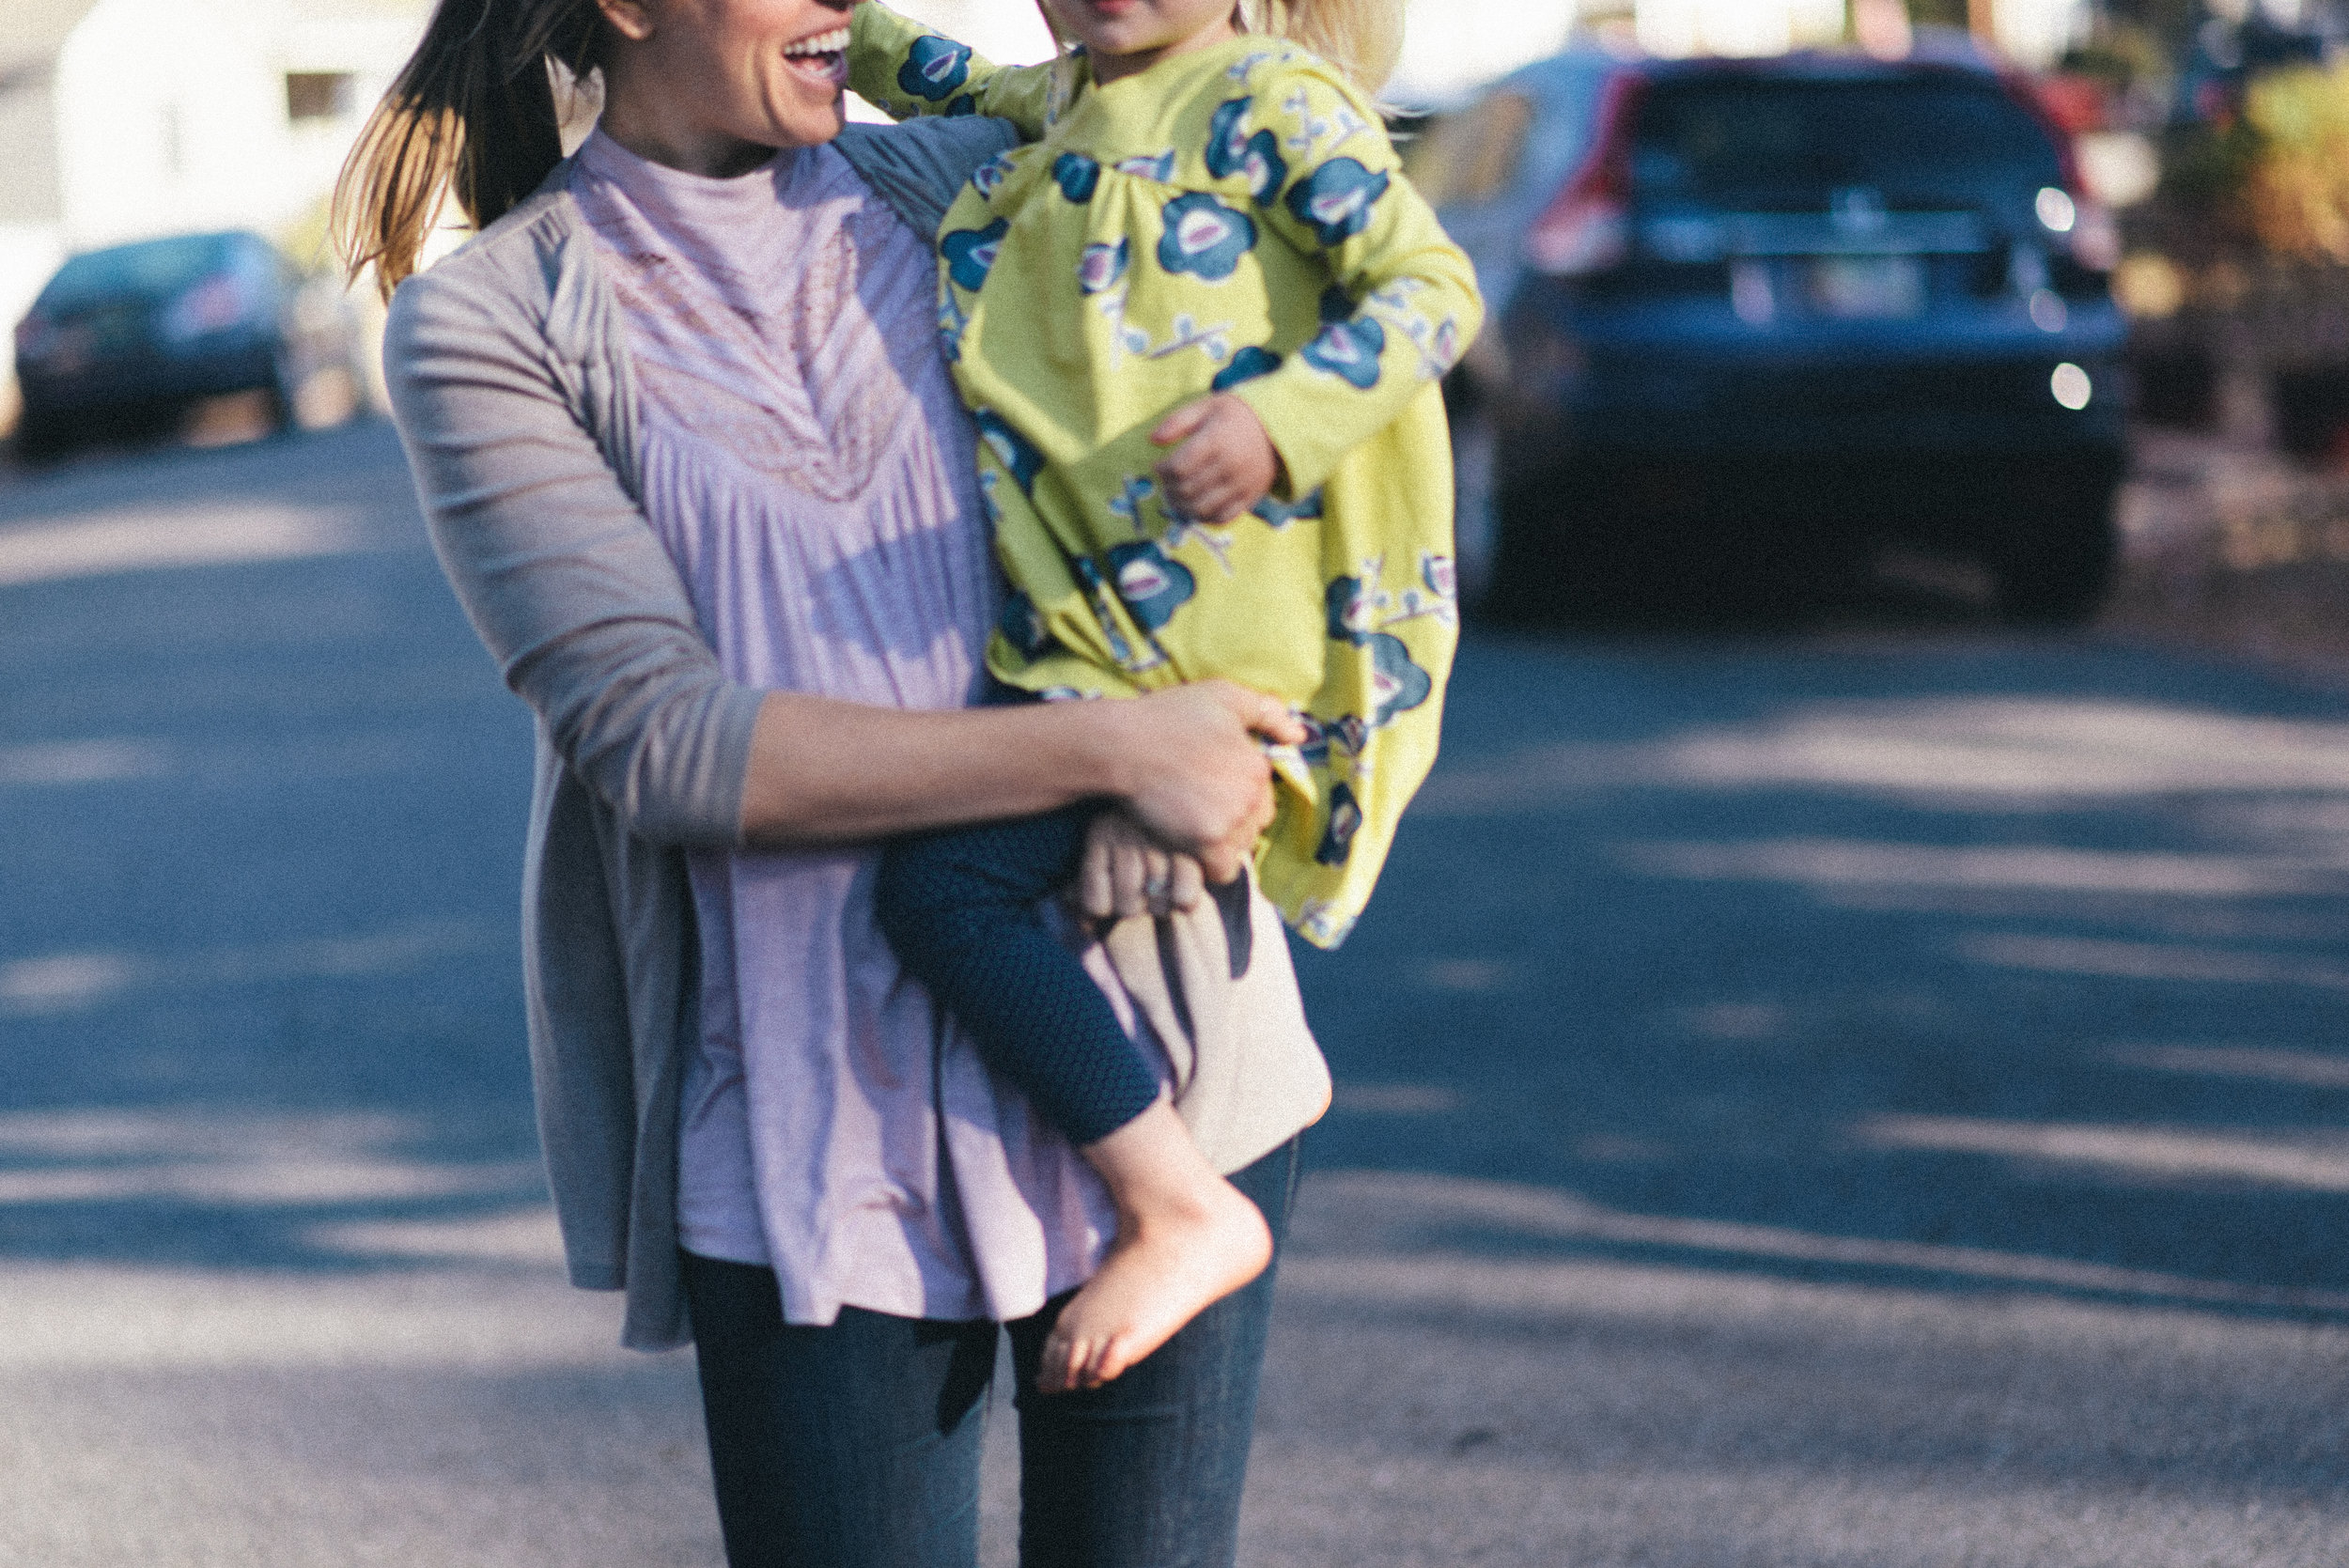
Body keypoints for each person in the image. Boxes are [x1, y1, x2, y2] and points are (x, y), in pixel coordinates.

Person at [336, 0, 1335, 1563]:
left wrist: (1242, 722)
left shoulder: (963, 180)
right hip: (815, 1137)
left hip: (1159, 1047)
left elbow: (1257, 281)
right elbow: (666, 744)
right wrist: (1123, 746)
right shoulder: (490, 321)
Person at [851, 0, 1484, 1394]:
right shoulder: (1069, 99)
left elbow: (1432, 288)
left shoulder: (1270, 101)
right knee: (1001, 887)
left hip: (1209, 651)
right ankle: (1153, 1189)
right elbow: (933, 70)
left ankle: (1176, 1201)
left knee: (940, 891)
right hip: (1098, 654)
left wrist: (1282, 418)